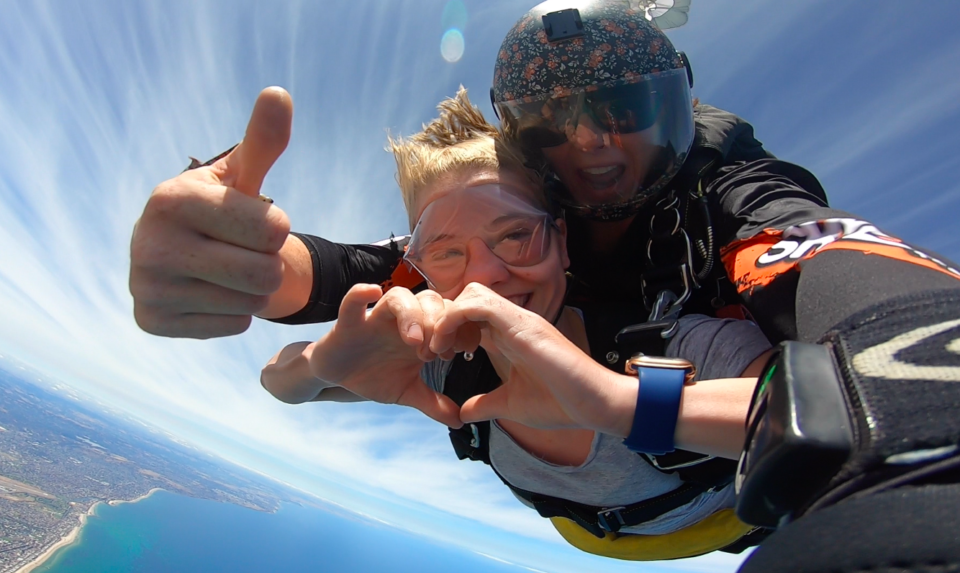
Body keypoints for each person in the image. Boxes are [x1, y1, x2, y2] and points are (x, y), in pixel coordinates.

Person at [129, 1, 960, 570]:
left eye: (625, 105)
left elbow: (835, 269)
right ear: (527, 154)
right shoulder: (474, 272)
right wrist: (231, 257)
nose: (594, 139)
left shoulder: (728, 204)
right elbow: (358, 275)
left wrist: (917, 423)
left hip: (720, 500)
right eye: (556, 120)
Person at [261, 88, 773, 560]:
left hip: (733, 523)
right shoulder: (448, 363)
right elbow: (280, 381)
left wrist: (615, 401)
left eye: (514, 237)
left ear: (562, 241)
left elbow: (830, 399)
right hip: (594, 533)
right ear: (418, 270)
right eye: (446, 253)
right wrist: (318, 362)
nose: (484, 277)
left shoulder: (669, 351)